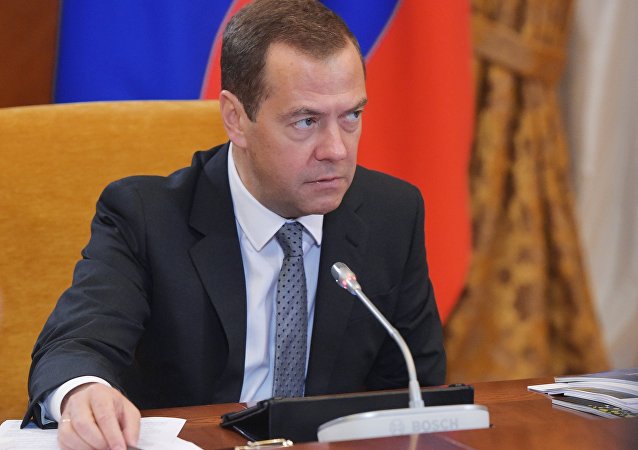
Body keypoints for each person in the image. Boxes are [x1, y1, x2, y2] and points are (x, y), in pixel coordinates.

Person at [25, 0, 446, 449]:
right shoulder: (147, 217)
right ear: (236, 119)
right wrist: (84, 392)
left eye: (352, 116)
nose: (337, 150)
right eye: (306, 121)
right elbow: (76, 345)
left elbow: (415, 394)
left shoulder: (391, 214)